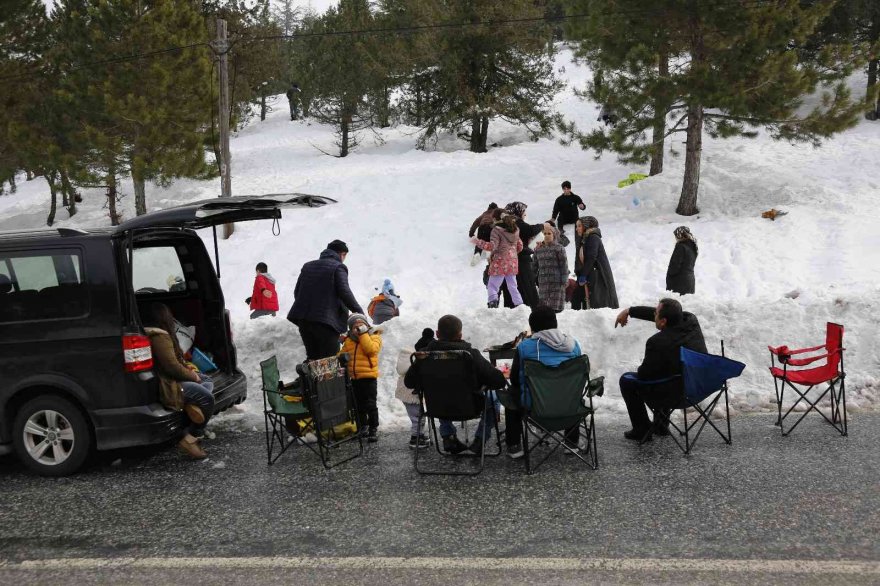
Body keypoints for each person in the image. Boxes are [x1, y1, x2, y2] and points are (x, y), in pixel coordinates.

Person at [404, 314, 506, 455]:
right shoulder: (470, 354)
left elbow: (409, 382)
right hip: (470, 407)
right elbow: (498, 381)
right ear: (460, 335)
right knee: (495, 399)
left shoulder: (425, 356)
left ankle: (448, 437)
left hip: (437, 406)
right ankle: (480, 440)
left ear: (437, 334)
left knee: (440, 390)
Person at [614, 298, 707, 439]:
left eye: (656, 314)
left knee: (628, 381)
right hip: (697, 387)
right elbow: (666, 314)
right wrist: (630, 311)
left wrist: (641, 369)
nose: (653, 314)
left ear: (663, 321)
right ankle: (661, 426)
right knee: (666, 371)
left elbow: (644, 375)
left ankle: (642, 429)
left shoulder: (657, 342)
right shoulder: (691, 321)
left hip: (675, 394)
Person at [505, 306, 584, 458]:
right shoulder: (573, 345)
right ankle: (572, 442)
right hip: (568, 406)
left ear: (533, 327)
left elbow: (515, 380)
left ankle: (514, 446)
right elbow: (578, 378)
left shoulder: (524, 347)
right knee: (572, 390)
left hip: (534, 407)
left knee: (511, 394)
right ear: (555, 323)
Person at [144, 303, 215, 460]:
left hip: (172, 379)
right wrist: (192, 376)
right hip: (168, 384)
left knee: (207, 380)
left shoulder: (156, 333)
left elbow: (176, 361)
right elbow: (172, 367)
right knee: (207, 398)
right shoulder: (159, 336)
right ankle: (192, 436)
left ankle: (190, 404)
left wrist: (190, 370)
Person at [287, 239, 364, 361]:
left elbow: (297, 292)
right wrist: (359, 312)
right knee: (330, 361)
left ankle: (311, 373)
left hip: (304, 320)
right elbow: (345, 292)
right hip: (326, 323)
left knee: (313, 359)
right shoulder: (338, 267)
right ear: (342, 254)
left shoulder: (308, 266)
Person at [339, 313, 382, 442]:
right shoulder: (349, 341)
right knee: (358, 405)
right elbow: (341, 355)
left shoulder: (374, 336)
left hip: (369, 378)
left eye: (361, 324)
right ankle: (363, 427)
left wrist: (363, 334)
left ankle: (373, 428)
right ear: (351, 329)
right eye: (355, 326)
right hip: (355, 378)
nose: (358, 327)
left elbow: (371, 350)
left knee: (370, 404)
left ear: (367, 325)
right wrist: (339, 356)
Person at [395, 328, 435, 450]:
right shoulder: (417, 366)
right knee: (417, 418)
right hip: (411, 394)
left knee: (418, 416)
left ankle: (419, 435)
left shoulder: (412, 362)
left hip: (408, 393)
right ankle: (416, 438)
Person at [472, 214, 524, 308]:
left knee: (492, 285)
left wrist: (477, 242)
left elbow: (492, 246)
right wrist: (512, 254)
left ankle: (492, 302)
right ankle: (519, 304)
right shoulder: (515, 230)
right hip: (512, 263)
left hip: (499, 262)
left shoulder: (496, 230)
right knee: (512, 286)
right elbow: (520, 246)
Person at [572, 216, 619, 310]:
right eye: (576, 226)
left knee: (597, 302)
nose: (577, 229)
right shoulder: (584, 238)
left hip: (598, 275)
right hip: (589, 274)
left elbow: (591, 257)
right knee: (578, 298)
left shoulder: (593, 237)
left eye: (579, 226)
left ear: (586, 226)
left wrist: (583, 275)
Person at [505, 201, 544, 308]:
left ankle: (517, 311)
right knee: (527, 288)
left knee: (515, 289)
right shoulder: (515, 221)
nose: (525, 214)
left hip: (511, 261)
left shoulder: (507, 223)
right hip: (520, 262)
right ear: (518, 212)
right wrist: (543, 225)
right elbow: (530, 230)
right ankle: (531, 312)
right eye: (523, 211)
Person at [533, 223, 569, 312]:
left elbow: (564, 265)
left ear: (554, 235)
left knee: (555, 308)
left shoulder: (559, 248)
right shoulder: (538, 249)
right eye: (544, 234)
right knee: (544, 308)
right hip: (543, 282)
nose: (546, 236)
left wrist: (564, 279)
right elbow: (534, 265)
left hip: (556, 282)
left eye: (549, 233)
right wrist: (531, 278)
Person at [666, 226, 698, 295]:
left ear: (680, 235)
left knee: (677, 301)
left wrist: (670, 275)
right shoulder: (693, 247)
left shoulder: (681, 247)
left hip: (679, 282)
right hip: (690, 282)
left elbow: (674, 265)